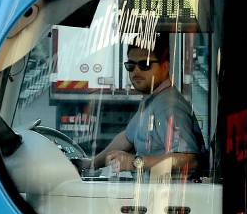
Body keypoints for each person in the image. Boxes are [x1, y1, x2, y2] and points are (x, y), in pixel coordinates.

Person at [88, 36, 206, 178]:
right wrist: (90, 164)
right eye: (131, 66)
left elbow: (189, 160)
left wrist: (136, 162)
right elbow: (126, 138)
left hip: (169, 197)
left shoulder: (169, 107)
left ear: (165, 66)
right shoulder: (152, 100)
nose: (135, 72)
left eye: (145, 64)